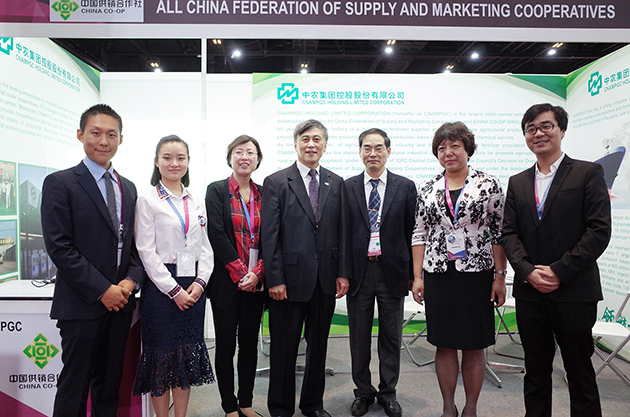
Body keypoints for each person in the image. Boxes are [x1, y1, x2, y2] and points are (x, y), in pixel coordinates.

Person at [501, 103, 612, 417]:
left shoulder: (587, 172)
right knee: (535, 372)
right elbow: (509, 233)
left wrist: (559, 271)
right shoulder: (518, 181)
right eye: (531, 129)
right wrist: (527, 271)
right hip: (530, 292)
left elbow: (598, 230)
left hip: (574, 290)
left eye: (546, 126)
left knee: (579, 372)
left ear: (562, 130)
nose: (538, 133)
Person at [41, 103, 144, 417]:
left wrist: (130, 281)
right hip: (81, 306)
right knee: (74, 388)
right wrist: (103, 290)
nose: (103, 141)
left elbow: (133, 246)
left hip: (120, 306)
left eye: (111, 135)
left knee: (108, 388)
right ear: (80, 134)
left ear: (121, 139)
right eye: (95, 133)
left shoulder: (128, 187)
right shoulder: (60, 183)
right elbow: (60, 248)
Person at [411, 122, 507, 417]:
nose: (448, 152)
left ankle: (471, 408)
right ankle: (448, 407)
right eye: (442, 148)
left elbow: (499, 233)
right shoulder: (427, 188)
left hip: (477, 275)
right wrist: (417, 277)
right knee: (444, 345)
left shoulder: (488, 184)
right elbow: (419, 234)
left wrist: (500, 276)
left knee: (474, 346)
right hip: (439, 275)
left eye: (455, 146)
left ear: (467, 149)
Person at [261, 119, 351, 417]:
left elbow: (342, 231)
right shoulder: (276, 182)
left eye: (317, 139)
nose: (311, 144)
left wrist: (342, 272)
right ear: (296, 144)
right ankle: (280, 407)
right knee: (284, 348)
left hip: (324, 280)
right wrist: (275, 278)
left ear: (325, 145)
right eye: (305, 139)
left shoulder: (336, 182)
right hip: (287, 282)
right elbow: (269, 235)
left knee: (318, 347)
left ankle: (313, 404)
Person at [133, 135, 215, 417]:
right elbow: (146, 251)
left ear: (188, 162)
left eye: (180, 158)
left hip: (193, 284)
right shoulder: (147, 200)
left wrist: (200, 283)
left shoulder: (197, 200)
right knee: (161, 360)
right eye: (167, 158)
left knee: (185, 360)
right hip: (161, 289)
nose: (174, 163)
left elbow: (206, 247)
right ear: (156, 162)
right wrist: (174, 290)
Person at [344, 128, 417, 417]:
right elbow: (342, 233)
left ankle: (388, 393)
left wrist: (413, 274)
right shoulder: (347, 187)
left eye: (378, 148)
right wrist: (342, 272)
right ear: (360, 152)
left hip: (393, 272)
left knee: (391, 337)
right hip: (359, 272)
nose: (372, 153)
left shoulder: (405, 186)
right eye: (367, 148)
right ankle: (363, 392)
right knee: (358, 337)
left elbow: (412, 232)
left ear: (388, 151)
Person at [205, 135, 266, 417]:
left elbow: (271, 237)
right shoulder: (217, 190)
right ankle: (229, 406)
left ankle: (246, 404)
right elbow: (216, 233)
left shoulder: (265, 193)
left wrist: (258, 273)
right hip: (227, 284)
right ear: (230, 157)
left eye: (250, 152)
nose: (244, 157)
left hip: (256, 284)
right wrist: (242, 272)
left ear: (257, 159)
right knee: (226, 347)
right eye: (239, 152)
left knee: (250, 347)